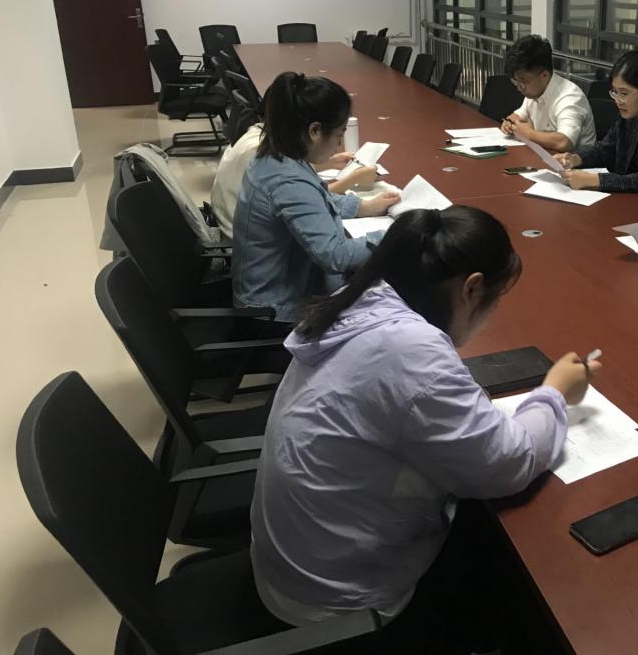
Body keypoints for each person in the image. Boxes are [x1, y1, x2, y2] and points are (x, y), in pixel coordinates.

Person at [250, 206, 602, 653]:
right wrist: (554, 392)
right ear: (472, 288)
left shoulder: (363, 299)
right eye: (496, 299)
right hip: (336, 606)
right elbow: (509, 462)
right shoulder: (411, 354)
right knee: (521, 578)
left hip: (296, 560)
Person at [232, 72, 399, 323]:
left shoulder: (278, 157)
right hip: (275, 316)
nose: (339, 144)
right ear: (315, 131)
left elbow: (315, 201)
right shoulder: (287, 181)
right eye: (339, 134)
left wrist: (363, 206)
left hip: (275, 295)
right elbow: (335, 256)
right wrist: (395, 235)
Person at [553, 50, 638, 200]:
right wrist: (576, 158)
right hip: (627, 195)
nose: (618, 101)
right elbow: (605, 148)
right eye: (614, 92)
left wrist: (596, 180)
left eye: (624, 93)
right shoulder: (630, 113)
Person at [212, 122, 379, 240]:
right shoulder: (264, 154)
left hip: (234, 227)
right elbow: (306, 196)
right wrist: (352, 180)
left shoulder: (259, 134)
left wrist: (328, 162)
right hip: (238, 237)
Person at [500, 35, 596, 153]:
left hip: (574, 162)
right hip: (544, 155)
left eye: (523, 82)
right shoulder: (534, 92)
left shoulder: (570, 97)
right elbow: (519, 115)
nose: (519, 88)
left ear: (544, 75)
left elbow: (565, 142)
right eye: (516, 82)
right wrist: (509, 123)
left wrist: (529, 134)